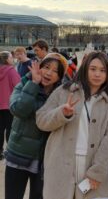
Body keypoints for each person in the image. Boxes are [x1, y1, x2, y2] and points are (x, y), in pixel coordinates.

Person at [36, 52, 108, 199]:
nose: (97, 74)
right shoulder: (64, 92)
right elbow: (41, 120)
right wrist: (62, 113)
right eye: (93, 69)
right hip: (61, 162)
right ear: (85, 69)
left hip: (91, 165)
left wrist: (98, 172)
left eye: (102, 70)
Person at [5, 53, 67, 199]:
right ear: (39, 67)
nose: (49, 73)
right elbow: (18, 110)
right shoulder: (24, 83)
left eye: (55, 71)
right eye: (46, 67)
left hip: (44, 158)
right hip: (19, 153)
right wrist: (33, 84)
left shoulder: (61, 94)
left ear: (60, 76)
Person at [0, 51, 20, 160]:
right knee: (10, 129)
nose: (13, 59)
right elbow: (18, 85)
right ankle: (10, 151)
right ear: (7, 59)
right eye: (11, 57)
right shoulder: (11, 71)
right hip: (9, 105)